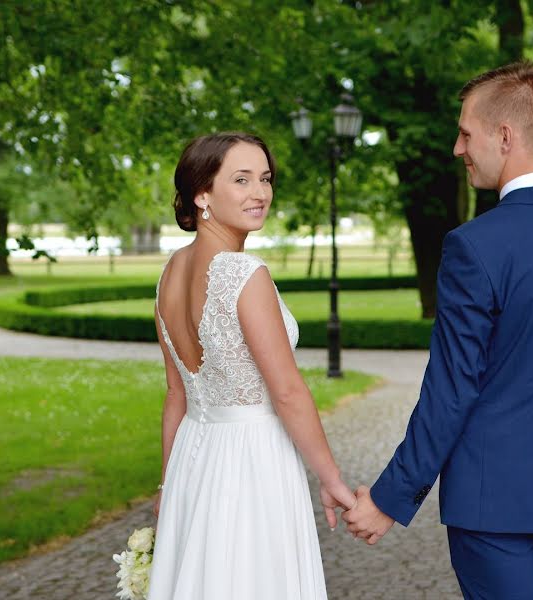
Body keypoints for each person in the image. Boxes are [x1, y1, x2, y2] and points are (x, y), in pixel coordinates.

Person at [343, 61, 533, 598]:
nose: (458, 149)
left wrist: (389, 498)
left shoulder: (473, 246)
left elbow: (452, 390)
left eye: (465, 133)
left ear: (504, 137)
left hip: (492, 503)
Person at [146, 132, 356, 599]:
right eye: (240, 180)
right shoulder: (244, 274)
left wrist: (169, 484)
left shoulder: (168, 274)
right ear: (202, 193)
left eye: (264, 179)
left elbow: (177, 395)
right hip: (253, 458)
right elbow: (287, 392)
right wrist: (330, 478)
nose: (259, 193)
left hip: (194, 458)